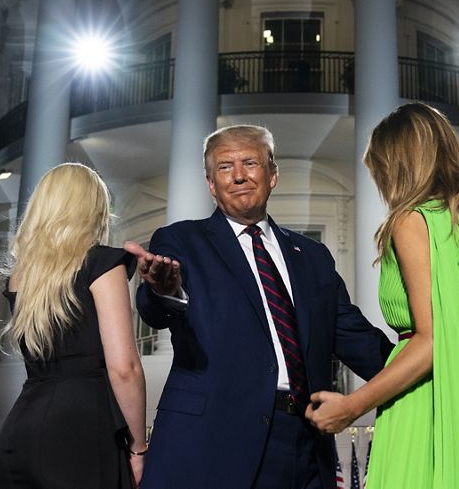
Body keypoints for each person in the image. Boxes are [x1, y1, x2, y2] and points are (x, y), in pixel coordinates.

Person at [304, 102, 459, 488]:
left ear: (397, 164)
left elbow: (432, 341)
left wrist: (351, 407)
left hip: (431, 397)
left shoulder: (411, 221)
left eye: (379, 169)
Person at [131, 124, 393, 489]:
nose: (238, 175)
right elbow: (154, 311)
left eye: (249, 162)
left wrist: (419, 368)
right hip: (213, 440)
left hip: (304, 439)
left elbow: (354, 337)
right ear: (210, 183)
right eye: (224, 167)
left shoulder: (313, 256)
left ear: (272, 175)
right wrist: (164, 290)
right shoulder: (181, 240)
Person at [0, 163, 146, 489]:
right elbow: (125, 368)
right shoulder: (102, 264)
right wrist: (138, 449)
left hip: (20, 431)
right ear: (94, 209)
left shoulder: (21, 276)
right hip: (83, 433)